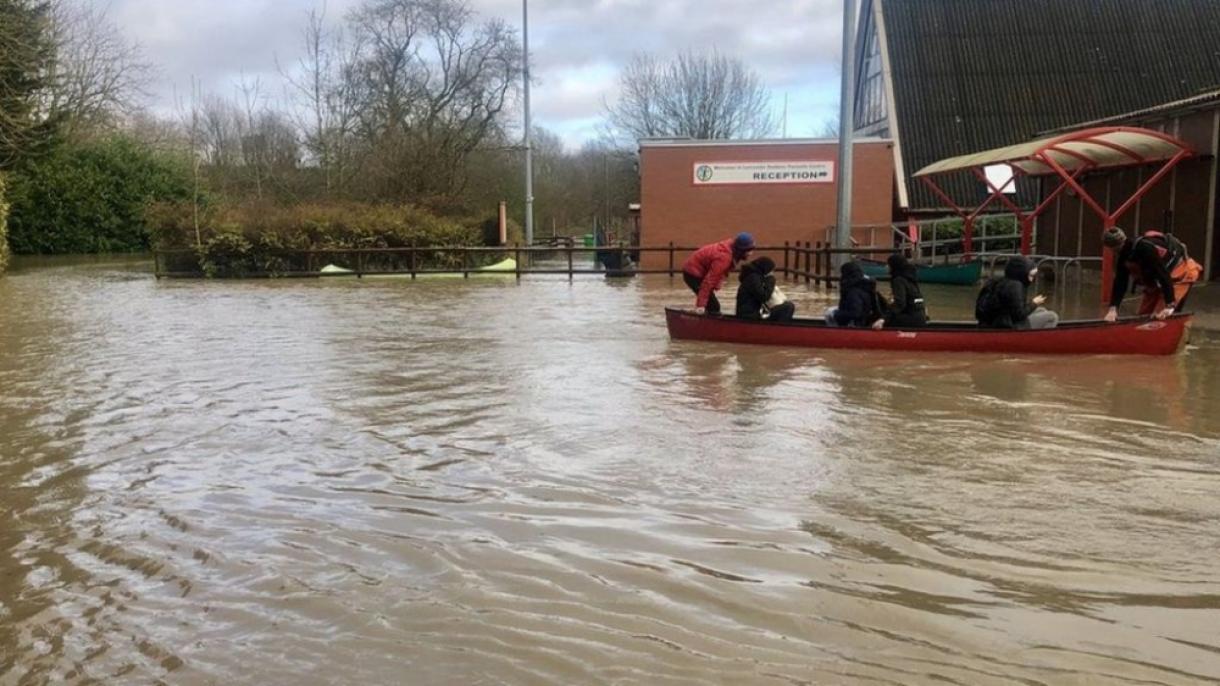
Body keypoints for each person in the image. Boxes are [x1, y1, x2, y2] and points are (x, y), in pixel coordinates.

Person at [1102, 227, 1202, 322]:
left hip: (1181, 274)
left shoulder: (1145, 248)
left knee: (1160, 316)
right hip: (1157, 281)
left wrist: (1170, 304)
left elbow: (1162, 274)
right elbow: (1120, 282)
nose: (1113, 252)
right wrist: (1113, 308)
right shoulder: (1123, 257)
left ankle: (1168, 333)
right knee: (1142, 317)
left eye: (1113, 249)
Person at [975, 255, 1058, 329]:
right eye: (1031, 275)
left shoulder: (1001, 281)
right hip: (1010, 326)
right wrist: (1034, 303)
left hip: (997, 321)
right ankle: (1034, 341)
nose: (1032, 279)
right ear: (1022, 273)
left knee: (1041, 310)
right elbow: (1019, 315)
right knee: (1052, 316)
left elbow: (1014, 309)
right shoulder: (1015, 286)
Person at [683, 233, 755, 314]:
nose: (750, 253)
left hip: (696, 268)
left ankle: (704, 317)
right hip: (692, 273)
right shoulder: (724, 258)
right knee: (714, 307)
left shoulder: (731, 248)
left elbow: (719, 272)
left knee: (711, 304)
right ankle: (703, 319)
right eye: (748, 250)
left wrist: (717, 283)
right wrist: (701, 305)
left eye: (752, 249)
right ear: (741, 250)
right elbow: (708, 281)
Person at [825, 261, 885, 328]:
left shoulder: (853, 292)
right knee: (832, 310)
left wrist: (836, 314)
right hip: (864, 318)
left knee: (829, 312)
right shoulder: (868, 286)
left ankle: (835, 332)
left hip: (856, 323)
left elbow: (855, 313)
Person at [735, 256, 796, 321]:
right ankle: (778, 329)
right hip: (749, 316)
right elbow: (764, 296)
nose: (772, 273)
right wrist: (770, 280)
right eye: (771, 271)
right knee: (788, 307)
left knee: (786, 305)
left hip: (754, 313)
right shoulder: (753, 279)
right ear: (766, 269)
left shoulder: (754, 277)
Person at [882, 253, 928, 328]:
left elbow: (900, 303)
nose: (886, 267)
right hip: (920, 318)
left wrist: (883, 319)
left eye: (888, 264)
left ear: (894, 266)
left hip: (910, 319)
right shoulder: (911, 278)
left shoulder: (898, 280)